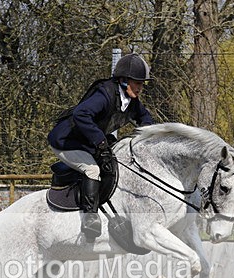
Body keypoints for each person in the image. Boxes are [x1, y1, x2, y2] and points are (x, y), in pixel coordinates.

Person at [48, 53, 154, 241]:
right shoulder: (104, 94)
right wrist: (101, 141)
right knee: (92, 169)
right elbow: (81, 114)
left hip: (86, 141)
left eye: (142, 84)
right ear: (123, 80)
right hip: (66, 140)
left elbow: (145, 120)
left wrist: (143, 139)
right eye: (137, 82)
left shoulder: (131, 101)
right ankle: (90, 219)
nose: (140, 87)